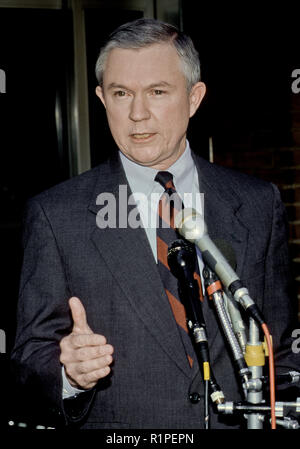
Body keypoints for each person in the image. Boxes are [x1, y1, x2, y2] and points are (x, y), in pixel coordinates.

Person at [11, 18, 299, 430]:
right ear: (101, 98)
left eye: (158, 92)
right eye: (121, 93)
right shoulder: (56, 215)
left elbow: (282, 348)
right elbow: (28, 359)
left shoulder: (257, 203)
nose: (138, 114)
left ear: (194, 98)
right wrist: (68, 374)